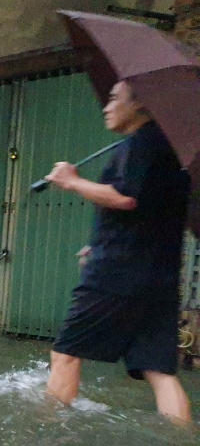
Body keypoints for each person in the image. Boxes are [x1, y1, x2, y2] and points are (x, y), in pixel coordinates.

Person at [44, 80, 192, 428]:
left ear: (140, 103)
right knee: (159, 371)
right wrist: (99, 244)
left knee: (65, 354)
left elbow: (125, 198)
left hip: (118, 273)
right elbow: (147, 214)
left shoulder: (142, 143)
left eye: (114, 99)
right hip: (158, 277)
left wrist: (71, 180)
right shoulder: (167, 150)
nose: (106, 107)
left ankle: (49, 437)